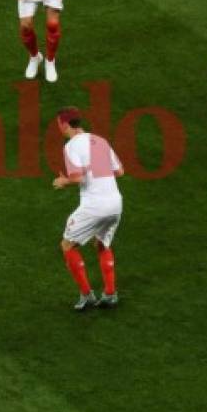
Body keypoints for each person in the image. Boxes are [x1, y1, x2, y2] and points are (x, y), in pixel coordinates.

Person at [52, 107, 122, 311]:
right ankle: (110, 294)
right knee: (101, 244)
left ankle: (87, 295)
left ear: (64, 124)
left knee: (67, 245)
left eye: (58, 124)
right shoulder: (99, 141)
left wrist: (63, 181)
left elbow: (78, 177)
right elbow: (119, 171)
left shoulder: (72, 146)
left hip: (95, 206)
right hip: (115, 203)